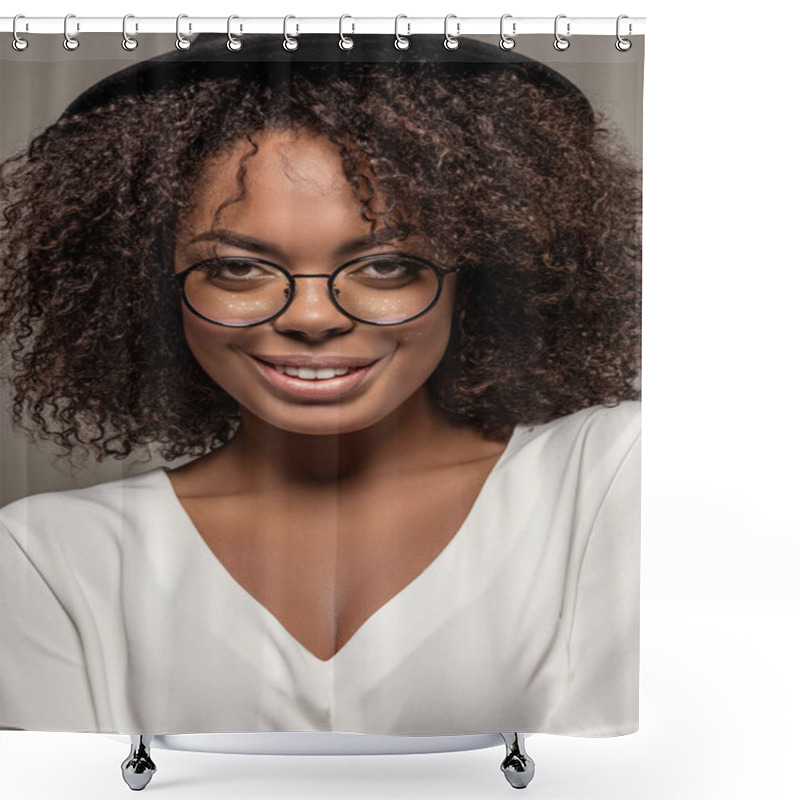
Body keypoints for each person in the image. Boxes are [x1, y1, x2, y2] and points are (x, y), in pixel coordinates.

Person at [0, 34, 641, 736]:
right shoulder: (50, 557)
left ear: (481, 278)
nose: (312, 316)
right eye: (238, 270)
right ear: (149, 291)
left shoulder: (612, 477)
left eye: (388, 265)